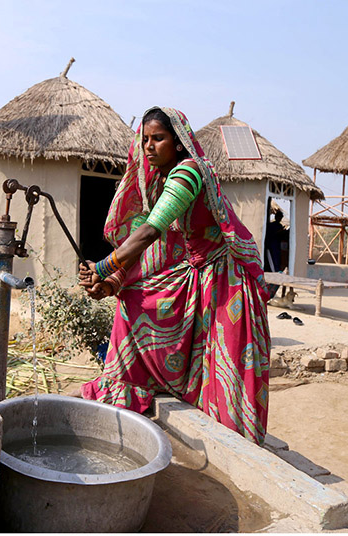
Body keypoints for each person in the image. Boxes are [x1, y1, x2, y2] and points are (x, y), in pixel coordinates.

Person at [78, 107, 270, 445]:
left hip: (227, 278)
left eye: (158, 138)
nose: (149, 146)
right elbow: (157, 247)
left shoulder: (190, 173)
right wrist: (112, 283)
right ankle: (129, 391)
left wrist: (105, 266)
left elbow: (152, 231)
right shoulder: (159, 182)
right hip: (194, 271)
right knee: (134, 299)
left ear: (178, 143)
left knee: (224, 363)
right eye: (145, 139)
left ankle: (234, 446)